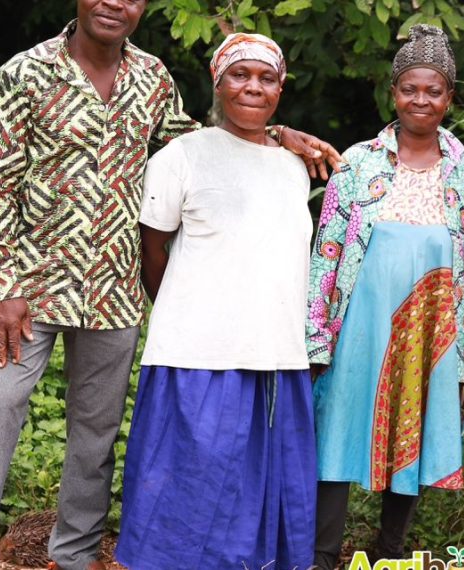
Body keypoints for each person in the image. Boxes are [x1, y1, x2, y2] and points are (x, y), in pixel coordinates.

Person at [0, 1, 339, 568]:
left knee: (95, 435)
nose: (114, 3)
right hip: (31, 285)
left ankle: (73, 554)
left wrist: (277, 133)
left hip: (113, 287)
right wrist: (3, 286)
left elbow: (202, 143)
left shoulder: (150, 77)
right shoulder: (25, 72)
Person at [112, 32, 316, 570]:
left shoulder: (294, 165)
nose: (253, 87)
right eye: (240, 75)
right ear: (216, 82)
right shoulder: (181, 156)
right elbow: (152, 249)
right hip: (197, 354)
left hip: (276, 354)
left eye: (266, 78)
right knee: (190, 487)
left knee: (258, 497)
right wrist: (184, 309)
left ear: (281, 88)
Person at [306, 24, 464, 569]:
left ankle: (389, 553)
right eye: (411, 88)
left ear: (450, 97)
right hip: (356, 323)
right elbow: (326, 253)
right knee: (336, 429)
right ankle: (321, 555)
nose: (421, 100)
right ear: (393, 93)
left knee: (414, 432)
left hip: (430, 329)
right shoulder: (357, 163)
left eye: (434, 90)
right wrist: (316, 336)